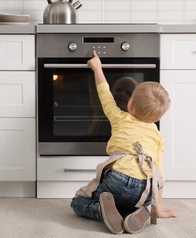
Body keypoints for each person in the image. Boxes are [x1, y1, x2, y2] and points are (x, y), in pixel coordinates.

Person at [71, 50, 177, 235]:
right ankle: (140, 212)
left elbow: (104, 93)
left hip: (116, 180)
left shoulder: (120, 118)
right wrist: (157, 210)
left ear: (131, 105)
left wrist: (97, 67)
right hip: (144, 188)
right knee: (136, 201)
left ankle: (100, 212)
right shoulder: (159, 136)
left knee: (78, 202)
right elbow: (159, 176)